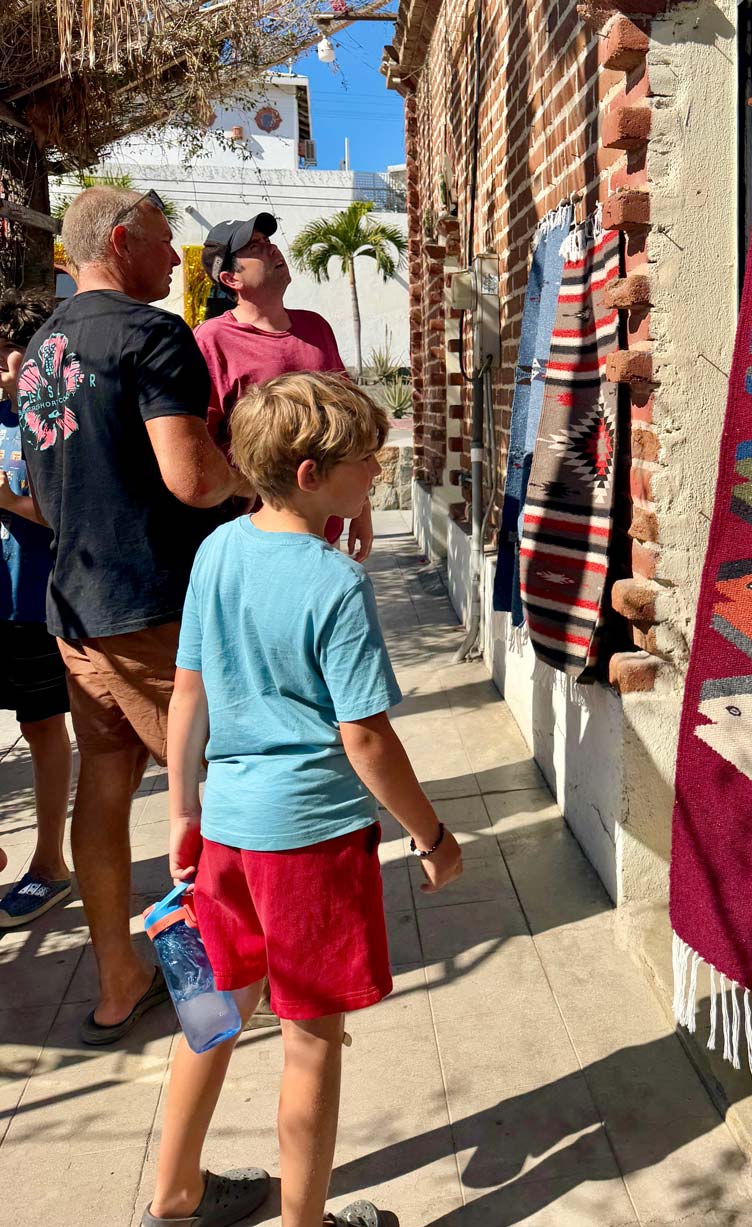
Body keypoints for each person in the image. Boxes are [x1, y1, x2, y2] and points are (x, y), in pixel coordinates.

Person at [142, 371, 462, 1227]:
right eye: (367, 461)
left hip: (228, 837)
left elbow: (187, 696)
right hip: (312, 842)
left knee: (212, 1016)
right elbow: (365, 739)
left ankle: (173, 1192)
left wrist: (183, 812)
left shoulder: (217, 550)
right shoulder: (335, 583)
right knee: (311, 1040)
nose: (379, 473)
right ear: (313, 473)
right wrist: (430, 834)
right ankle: (303, 1222)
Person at [19, 186, 253, 1044]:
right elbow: (191, 477)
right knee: (224, 783)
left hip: (75, 608)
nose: (174, 259)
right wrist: (251, 477)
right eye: (162, 243)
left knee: (106, 786)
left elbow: (37, 498)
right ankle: (230, 970)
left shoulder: (41, 350)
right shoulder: (154, 336)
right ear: (120, 242)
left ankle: (121, 979)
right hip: (154, 608)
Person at [194, 213, 375, 561]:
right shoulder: (212, 339)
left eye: (269, 241)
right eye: (255, 247)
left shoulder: (316, 327)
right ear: (231, 278)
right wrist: (240, 483)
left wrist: (362, 507)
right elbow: (202, 437)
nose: (272, 248)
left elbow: (350, 425)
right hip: (257, 539)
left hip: (325, 531)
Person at [0, 290, 73, 927]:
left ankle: (49, 865)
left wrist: (7, 498)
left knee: (45, 728)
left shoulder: (49, 421)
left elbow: (72, 516)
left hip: (33, 605)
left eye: (9, 354)